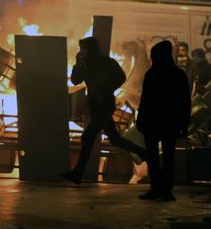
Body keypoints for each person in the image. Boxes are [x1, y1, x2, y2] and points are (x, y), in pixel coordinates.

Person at [60, 37, 146, 185]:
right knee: (115, 139)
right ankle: (145, 153)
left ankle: (78, 173)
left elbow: (121, 77)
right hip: (95, 105)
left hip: (104, 104)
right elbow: (75, 80)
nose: (82, 51)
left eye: (84, 49)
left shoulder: (107, 62)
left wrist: (105, 89)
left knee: (87, 136)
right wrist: (78, 63)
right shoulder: (86, 64)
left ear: (91, 48)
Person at [137, 40, 191, 201]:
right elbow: (185, 102)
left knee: (153, 157)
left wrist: (141, 120)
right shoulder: (178, 75)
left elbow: (145, 100)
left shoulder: (152, 74)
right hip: (171, 123)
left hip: (153, 122)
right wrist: (184, 123)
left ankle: (156, 188)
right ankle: (166, 190)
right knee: (168, 157)